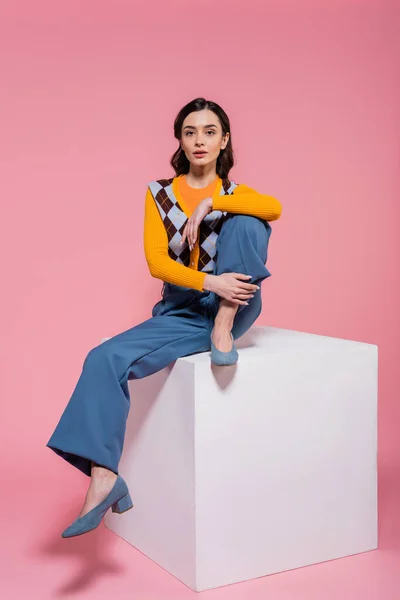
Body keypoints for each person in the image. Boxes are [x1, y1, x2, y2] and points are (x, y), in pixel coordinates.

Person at [46, 97, 282, 538]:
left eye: (210, 131)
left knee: (249, 221)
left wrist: (213, 203)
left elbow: (275, 208)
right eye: (190, 131)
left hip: (233, 303)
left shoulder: (236, 192)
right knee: (103, 358)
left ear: (224, 139)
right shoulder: (158, 194)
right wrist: (210, 283)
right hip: (184, 307)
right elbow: (157, 262)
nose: (199, 140)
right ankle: (104, 475)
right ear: (179, 139)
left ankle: (224, 325)